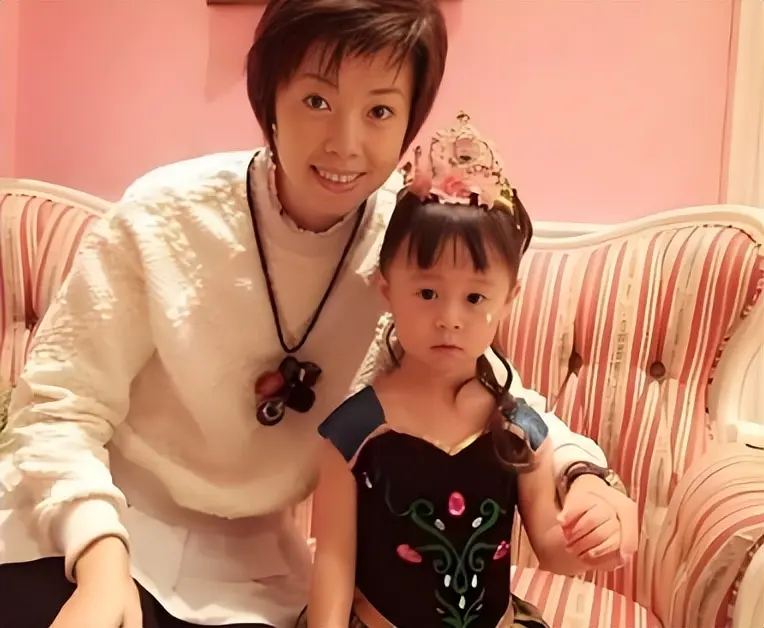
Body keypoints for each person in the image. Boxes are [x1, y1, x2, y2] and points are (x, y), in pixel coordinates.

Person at [0, 1, 635, 627]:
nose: (345, 145)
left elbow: (487, 388)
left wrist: (586, 476)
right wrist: (100, 562)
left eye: (379, 110)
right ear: (269, 97)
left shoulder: (406, 242)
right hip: (89, 525)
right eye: (316, 100)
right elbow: (58, 405)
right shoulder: (163, 215)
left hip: (251, 576)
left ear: (409, 121)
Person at [301, 114, 629, 628]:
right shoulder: (352, 432)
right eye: (427, 292)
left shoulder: (519, 428)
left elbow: (552, 549)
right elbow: (334, 564)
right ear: (387, 289)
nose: (449, 318)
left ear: (509, 299)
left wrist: (592, 536)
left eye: (475, 298)